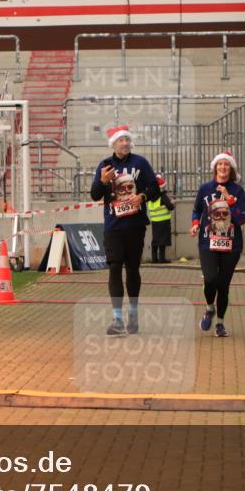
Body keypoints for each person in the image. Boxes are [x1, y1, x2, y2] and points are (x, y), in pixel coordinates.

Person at [90, 124, 159, 335]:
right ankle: (117, 319)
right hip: (113, 225)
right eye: (121, 140)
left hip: (135, 225)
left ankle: (134, 314)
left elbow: (155, 189)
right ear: (114, 143)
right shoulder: (105, 165)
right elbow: (94, 194)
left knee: (132, 269)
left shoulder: (141, 163)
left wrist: (142, 197)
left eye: (127, 140)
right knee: (114, 267)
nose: (125, 144)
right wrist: (102, 182)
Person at [190, 151, 245, 338]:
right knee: (210, 279)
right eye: (220, 164)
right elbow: (196, 210)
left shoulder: (238, 190)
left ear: (231, 169)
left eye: (226, 165)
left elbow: (241, 219)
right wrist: (195, 225)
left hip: (231, 244)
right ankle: (209, 308)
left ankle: (220, 323)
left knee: (223, 285)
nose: (223, 168)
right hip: (208, 241)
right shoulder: (205, 189)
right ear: (215, 168)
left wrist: (229, 198)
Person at [147, 174, 175, 263]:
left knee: (155, 240)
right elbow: (170, 207)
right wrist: (172, 203)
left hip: (155, 221)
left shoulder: (150, 197)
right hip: (164, 221)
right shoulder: (162, 196)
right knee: (163, 241)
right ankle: (162, 259)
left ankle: (154, 259)